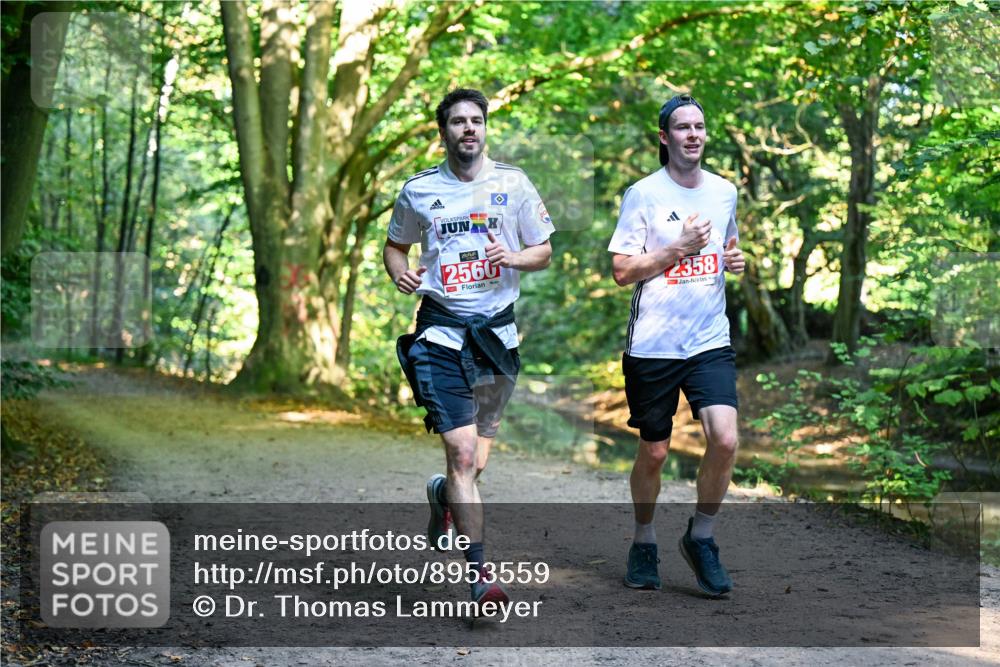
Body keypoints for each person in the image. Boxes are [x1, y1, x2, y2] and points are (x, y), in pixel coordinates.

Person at [383, 88, 553, 606]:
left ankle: (443, 497)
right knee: (460, 452)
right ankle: (481, 576)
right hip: (439, 332)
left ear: (485, 127)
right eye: (457, 121)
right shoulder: (418, 191)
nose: (468, 129)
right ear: (444, 132)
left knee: (474, 464)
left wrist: (515, 258)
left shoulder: (514, 184)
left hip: (496, 337)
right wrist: (401, 275)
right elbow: (395, 247)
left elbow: (543, 250)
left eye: (475, 120)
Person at [607, 93, 746, 597]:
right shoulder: (643, 194)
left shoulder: (725, 191)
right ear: (664, 138)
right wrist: (675, 250)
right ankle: (644, 540)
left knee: (726, 439)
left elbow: (729, 245)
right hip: (654, 344)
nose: (694, 135)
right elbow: (622, 271)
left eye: (700, 127)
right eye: (683, 128)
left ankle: (702, 538)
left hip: (708, 338)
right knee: (656, 452)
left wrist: (735, 260)